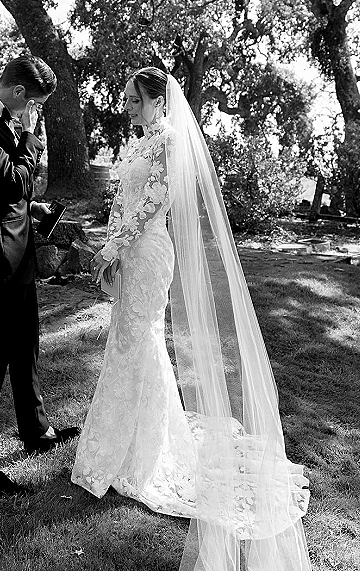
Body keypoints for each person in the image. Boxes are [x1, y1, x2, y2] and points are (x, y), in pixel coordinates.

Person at [72, 67, 311, 571]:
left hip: (150, 251)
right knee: (124, 342)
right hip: (127, 253)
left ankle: (148, 450)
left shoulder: (170, 140)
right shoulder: (139, 142)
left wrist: (117, 246)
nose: (127, 107)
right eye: (127, 99)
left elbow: (154, 201)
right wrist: (110, 245)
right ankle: (120, 440)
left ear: (158, 100)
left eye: (135, 100)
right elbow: (122, 201)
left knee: (141, 340)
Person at [0, 55, 79, 496]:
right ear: (20, 92)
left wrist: (32, 208)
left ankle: (37, 431)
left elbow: (7, 192)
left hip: (18, 254)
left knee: (25, 349)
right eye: (35, 104)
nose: (34, 113)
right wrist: (29, 138)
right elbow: (13, 182)